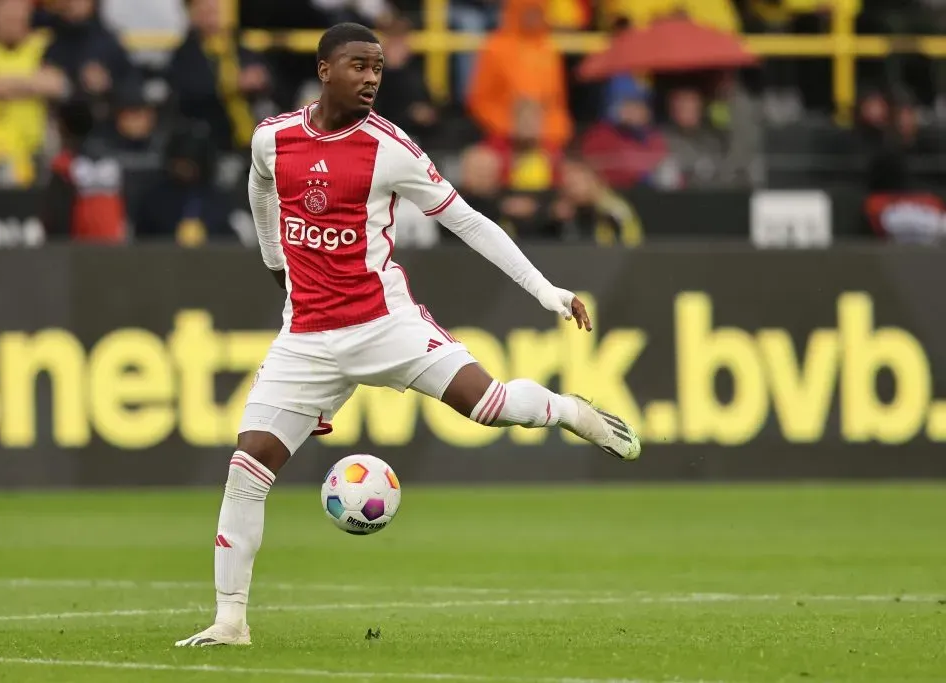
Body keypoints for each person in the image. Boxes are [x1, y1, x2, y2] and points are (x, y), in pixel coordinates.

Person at [174, 23, 642, 649]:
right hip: (307, 337)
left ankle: (566, 409)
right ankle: (231, 622)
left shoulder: (389, 148)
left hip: (383, 324)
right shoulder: (273, 138)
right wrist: (273, 259)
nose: (370, 77)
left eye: (378, 67)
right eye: (358, 65)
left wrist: (545, 290)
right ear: (323, 69)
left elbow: (469, 222)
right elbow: (261, 186)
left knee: (492, 408)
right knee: (247, 467)